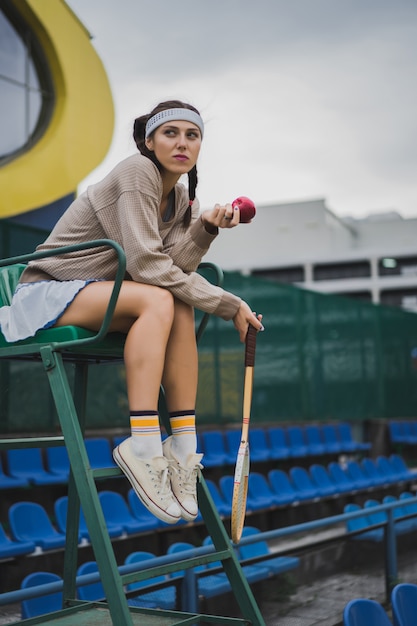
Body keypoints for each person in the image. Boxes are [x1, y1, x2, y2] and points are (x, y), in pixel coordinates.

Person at [0, 100, 263, 524]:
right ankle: (141, 445)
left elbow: (173, 267)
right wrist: (228, 304)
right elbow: (146, 265)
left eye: (191, 135)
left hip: (108, 294)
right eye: (170, 133)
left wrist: (205, 229)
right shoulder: (136, 172)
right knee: (161, 297)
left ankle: (181, 445)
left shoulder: (180, 197)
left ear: (200, 146)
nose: (182, 143)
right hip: (47, 292)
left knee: (174, 302)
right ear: (149, 141)